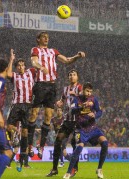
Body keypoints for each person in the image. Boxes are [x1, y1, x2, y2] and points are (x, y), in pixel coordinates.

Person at [27, 31, 85, 159]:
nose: (46, 39)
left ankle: (41, 147)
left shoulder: (53, 51)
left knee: (48, 116)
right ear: (38, 39)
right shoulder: (35, 49)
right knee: (34, 114)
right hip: (40, 85)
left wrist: (77, 56)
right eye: (43, 37)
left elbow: (66, 60)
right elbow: (34, 62)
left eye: (47, 37)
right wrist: (41, 67)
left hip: (51, 86)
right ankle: (29, 145)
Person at [63, 82, 108, 179]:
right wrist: (82, 107)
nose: (89, 93)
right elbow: (72, 111)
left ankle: (99, 169)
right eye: (87, 91)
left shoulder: (93, 99)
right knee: (79, 147)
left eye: (90, 92)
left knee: (104, 142)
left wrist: (95, 115)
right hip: (80, 129)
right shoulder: (76, 99)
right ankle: (69, 171)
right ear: (83, 90)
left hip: (92, 128)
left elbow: (100, 111)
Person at [47, 69, 82, 177]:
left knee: (74, 143)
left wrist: (76, 94)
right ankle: (54, 169)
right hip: (67, 120)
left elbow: (84, 99)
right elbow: (62, 101)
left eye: (74, 74)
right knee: (58, 141)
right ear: (68, 77)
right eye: (70, 75)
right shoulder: (66, 89)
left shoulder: (80, 88)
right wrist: (59, 103)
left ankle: (74, 169)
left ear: (77, 77)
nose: (72, 76)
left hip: (78, 120)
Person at [6, 58, 36, 171]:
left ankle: (22, 160)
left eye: (22, 65)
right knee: (9, 126)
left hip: (27, 105)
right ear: (16, 67)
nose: (21, 67)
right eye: (18, 65)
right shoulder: (14, 75)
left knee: (25, 132)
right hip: (16, 105)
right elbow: (8, 73)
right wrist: (11, 59)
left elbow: (38, 66)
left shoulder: (30, 72)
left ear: (25, 66)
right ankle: (16, 133)